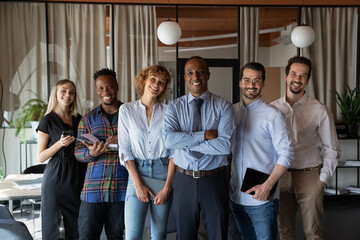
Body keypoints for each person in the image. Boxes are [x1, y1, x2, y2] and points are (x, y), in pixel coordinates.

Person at [164, 56, 235, 240]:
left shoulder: (224, 106)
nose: (195, 76)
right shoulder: (173, 107)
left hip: (214, 179)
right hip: (183, 180)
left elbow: (225, 145)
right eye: (190, 73)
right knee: (185, 235)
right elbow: (169, 141)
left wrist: (185, 142)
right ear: (185, 78)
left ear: (208, 75)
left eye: (200, 71)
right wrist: (203, 135)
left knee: (218, 234)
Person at [271, 56, 340, 239]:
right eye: (294, 73)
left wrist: (321, 181)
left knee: (313, 233)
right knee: (285, 231)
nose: (297, 79)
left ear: (307, 80)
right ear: (286, 76)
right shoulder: (272, 109)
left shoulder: (320, 110)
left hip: (310, 176)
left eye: (303, 76)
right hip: (281, 175)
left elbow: (332, 149)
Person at [230, 62, 294, 240]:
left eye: (256, 81)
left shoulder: (274, 115)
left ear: (263, 83)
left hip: (261, 198)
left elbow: (287, 154)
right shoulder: (231, 111)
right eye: (247, 80)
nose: (251, 85)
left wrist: (267, 186)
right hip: (235, 195)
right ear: (240, 82)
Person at [118, 65, 175, 240]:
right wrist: (137, 184)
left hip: (162, 172)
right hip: (137, 172)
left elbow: (174, 151)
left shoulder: (169, 112)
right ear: (144, 80)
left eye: (161, 82)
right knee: (133, 235)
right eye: (153, 79)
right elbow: (125, 150)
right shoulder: (126, 110)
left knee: (158, 235)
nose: (156, 84)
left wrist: (167, 187)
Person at [75, 68, 129, 240]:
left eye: (110, 86)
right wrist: (91, 153)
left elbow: (145, 145)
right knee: (86, 236)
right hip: (93, 190)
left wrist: (124, 141)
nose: (105, 92)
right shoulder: (88, 119)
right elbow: (78, 151)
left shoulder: (132, 115)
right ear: (97, 90)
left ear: (117, 86)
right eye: (100, 88)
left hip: (122, 189)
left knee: (116, 236)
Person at [37, 79, 85, 239]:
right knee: (51, 227)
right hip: (56, 175)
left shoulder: (79, 119)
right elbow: (41, 156)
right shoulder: (47, 120)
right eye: (63, 91)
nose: (68, 95)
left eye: (71, 92)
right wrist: (59, 144)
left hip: (77, 174)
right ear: (56, 93)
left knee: (77, 226)